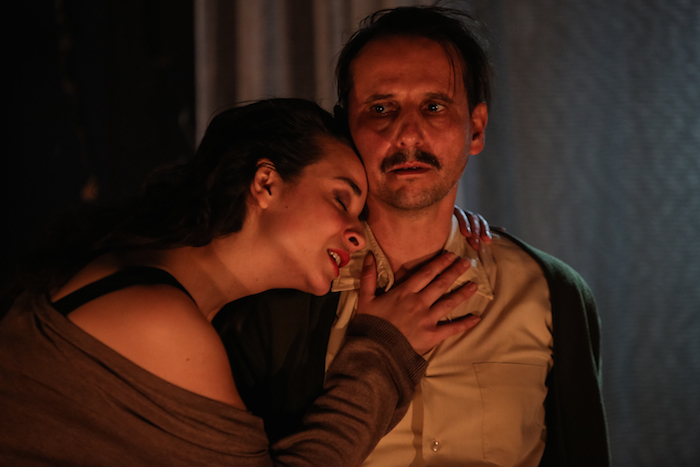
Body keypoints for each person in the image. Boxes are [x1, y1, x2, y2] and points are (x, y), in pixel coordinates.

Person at [216, 6, 611, 467]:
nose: (407, 134)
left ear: (476, 128)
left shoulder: (552, 294)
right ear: (346, 129)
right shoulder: (282, 295)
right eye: (381, 108)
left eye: (434, 107)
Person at [0, 98, 484, 466]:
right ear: (265, 182)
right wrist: (384, 351)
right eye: (341, 200)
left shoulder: (155, 289)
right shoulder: (159, 319)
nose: (358, 235)